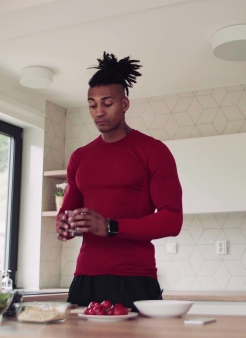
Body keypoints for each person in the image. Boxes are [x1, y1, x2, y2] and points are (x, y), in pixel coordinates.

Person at [55, 52, 183, 310]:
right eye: (92, 105)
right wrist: (66, 226)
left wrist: (111, 227)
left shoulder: (153, 151)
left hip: (134, 278)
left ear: (124, 104)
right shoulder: (79, 157)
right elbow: (66, 213)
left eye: (107, 103)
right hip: (85, 278)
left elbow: (172, 219)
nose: (99, 112)